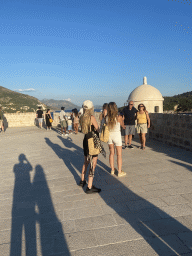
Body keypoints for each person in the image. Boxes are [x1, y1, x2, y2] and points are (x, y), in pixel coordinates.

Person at [79, 100, 101, 194]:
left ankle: (82, 180)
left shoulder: (81, 117)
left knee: (86, 161)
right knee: (93, 163)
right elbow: (97, 128)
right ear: (91, 108)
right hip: (92, 141)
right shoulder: (91, 117)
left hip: (85, 140)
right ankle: (89, 186)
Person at [107, 102, 126, 177]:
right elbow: (122, 125)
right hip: (116, 135)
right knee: (119, 154)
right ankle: (119, 171)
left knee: (111, 153)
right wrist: (123, 119)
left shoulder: (107, 117)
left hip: (109, 136)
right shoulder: (119, 117)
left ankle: (112, 170)